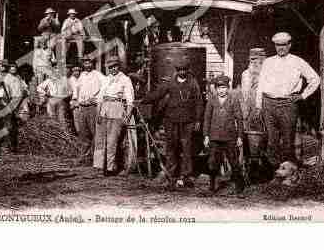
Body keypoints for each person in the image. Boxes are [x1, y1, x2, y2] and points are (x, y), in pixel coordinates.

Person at [255, 32, 320, 169]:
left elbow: (315, 79)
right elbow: (261, 83)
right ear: (275, 46)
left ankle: (288, 171)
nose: (281, 48)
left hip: (288, 104)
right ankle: (274, 170)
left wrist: (302, 95)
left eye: (284, 45)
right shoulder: (268, 62)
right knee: (271, 139)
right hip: (268, 103)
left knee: (287, 139)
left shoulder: (298, 61)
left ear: (289, 45)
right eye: (278, 45)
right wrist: (258, 104)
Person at [143, 57, 203, 188]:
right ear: (177, 70)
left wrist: (198, 120)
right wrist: (144, 100)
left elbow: (199, 102)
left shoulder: (193, 84)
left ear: (187, 70)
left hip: (188, 122)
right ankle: (171, 175)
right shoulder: (170, 83)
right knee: (171, 147)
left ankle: (186, 176)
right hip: (171, 121)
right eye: (179, 70)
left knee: (187, 148)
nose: (182, 72)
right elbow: (158, 94)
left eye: (184, 70)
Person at [203, 75, 245, 194]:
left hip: (229, 137)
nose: (222, 90)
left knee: (234, 162)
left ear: (228, 88)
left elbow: (239, 119)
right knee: (212, 163)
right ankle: (212, 187)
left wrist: (240, 137)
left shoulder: (233, 100)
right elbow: (207, 119)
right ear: (216, 89)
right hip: (214, 137)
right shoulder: (212, 100)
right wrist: (206, 136)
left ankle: (239, 188)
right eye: (219, 88)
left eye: (224, 87)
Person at [94, 56, 134, 176]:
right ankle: (100, 166)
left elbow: (130, 99)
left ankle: (110, 168)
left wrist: (128, 114)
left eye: (115, 66)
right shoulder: (105, 79)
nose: (113, 69)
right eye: (110, 67)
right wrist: (98, 113)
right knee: (100, 140)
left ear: (119, 66)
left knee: (112, 140)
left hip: (117, 108)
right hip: (104, 109)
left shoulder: (125, 79)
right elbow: (100, 98)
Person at [71, 56, 106, 165]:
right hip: (82, 107)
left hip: (93, 107)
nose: (87, 65)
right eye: (85, 63)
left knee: (95, 132)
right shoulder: (81, 76)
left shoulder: (98, 75)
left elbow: (105, 87)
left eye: (89, 62)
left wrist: (97, 99)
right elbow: (77, 90)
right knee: (83, 133)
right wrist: (77, 101)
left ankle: (96, 159)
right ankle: (83, 157)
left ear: (92, 63)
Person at [240, 48, 266, 132]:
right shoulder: (245, 74)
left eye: (258, 61)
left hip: (264, 109)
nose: (255, 63)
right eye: (252, 60)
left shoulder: (266, 74)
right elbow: (244, 93)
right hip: (248, 110)